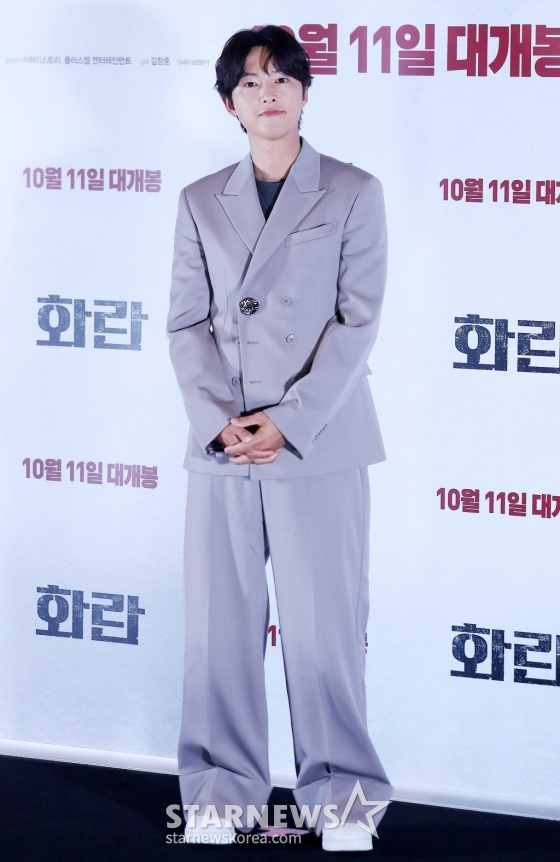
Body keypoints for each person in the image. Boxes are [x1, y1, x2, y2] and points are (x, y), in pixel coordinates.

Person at [167, 24, 393, 852]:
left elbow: (356, 323)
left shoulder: (353, 190)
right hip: (223, 444)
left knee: (325, 630)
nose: (269, 95)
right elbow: (185, 324)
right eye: (251, 84)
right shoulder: (200, 199)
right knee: (218, 632)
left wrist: (287, 422)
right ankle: (218, 794)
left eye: (282, 80)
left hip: (318, 442)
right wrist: (219, 422)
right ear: (229, 103)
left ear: (304, 92)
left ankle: (344, 803)